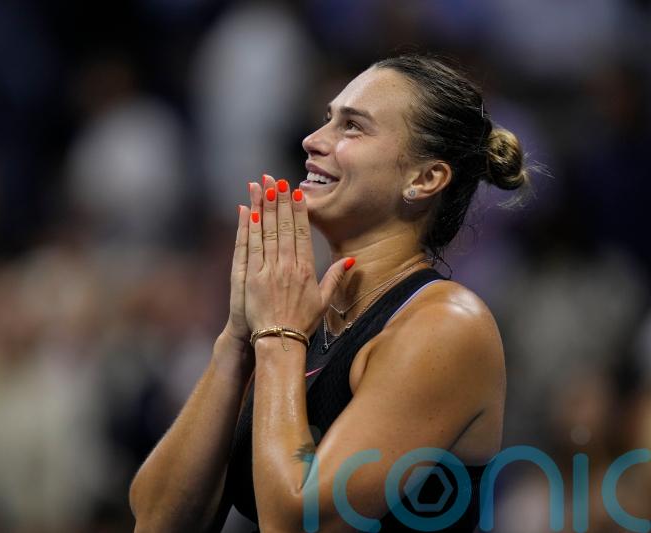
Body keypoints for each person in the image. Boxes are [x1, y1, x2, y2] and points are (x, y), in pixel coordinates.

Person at [129, 53, 528, 532]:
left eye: (352, 127)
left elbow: (297, 523)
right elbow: (158, 522)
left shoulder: (447, 326)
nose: (313, 140)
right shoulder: (301, 316)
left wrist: (277, 337)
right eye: (327, 119)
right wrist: (237, 340)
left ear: (425, 179)